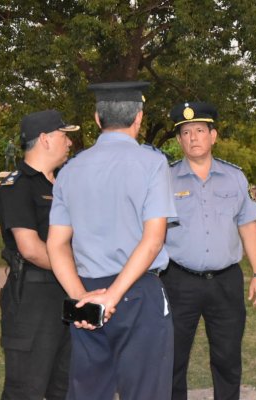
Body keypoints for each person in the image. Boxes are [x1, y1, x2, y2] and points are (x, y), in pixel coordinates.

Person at [47, 81, 177, 399]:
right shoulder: (152, 163)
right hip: (136, 292)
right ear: (139, 118)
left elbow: (56, 244)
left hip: (87, 292)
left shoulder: (70, 170)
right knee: (145, 391)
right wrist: (113, 296)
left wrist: (84, 299)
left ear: (96, 119)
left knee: (89, 390)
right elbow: (153, 240)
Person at [161, 101, 256, 400]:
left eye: (199, 130)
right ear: (179, 140)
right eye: (185, 132)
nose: (193, 137)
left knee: (228, 358)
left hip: (225, 281)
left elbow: (248, 225)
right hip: (178, 281)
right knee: (173, 358)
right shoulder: (164, 179)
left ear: (213, 136)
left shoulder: (234, 177)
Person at [0, 109, 77, 399]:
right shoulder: (17, 186)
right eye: (65, 136)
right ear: (45, 139)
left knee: (64, 386)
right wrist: (73, 272)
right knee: (26, 388)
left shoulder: (64, 185)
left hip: (66, 294)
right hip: (33, 298)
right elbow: (29, 248)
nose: (70, 143)